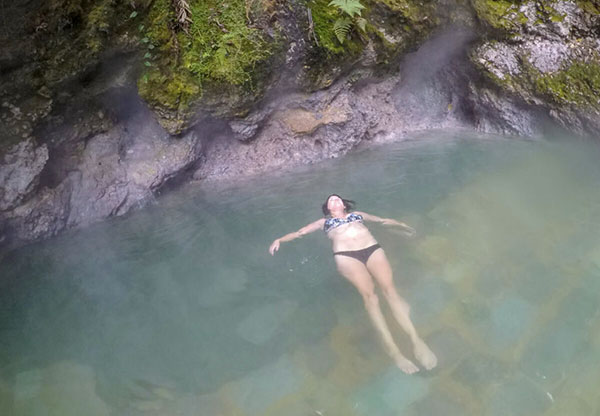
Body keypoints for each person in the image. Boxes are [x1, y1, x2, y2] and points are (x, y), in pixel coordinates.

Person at [269, 194, 437, 374]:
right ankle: (393, 351)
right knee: (370, 298)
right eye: (330, 200)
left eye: (337, 198)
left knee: (390, 291)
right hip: (346, 256)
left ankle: (416, 340)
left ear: (343, 205)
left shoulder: (357, 215)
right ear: (328, 208)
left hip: (372, 249)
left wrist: (403, 225)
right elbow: (299, 233)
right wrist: (279, 240)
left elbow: (382, 221)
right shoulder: (323, 223)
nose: (334, 200)